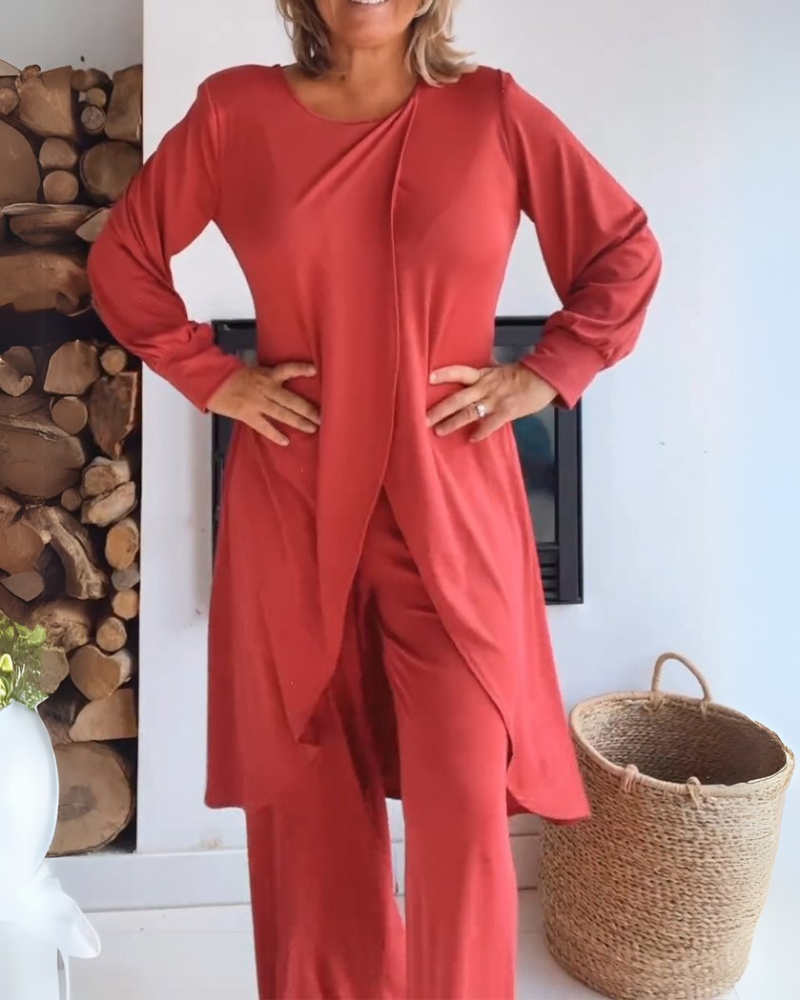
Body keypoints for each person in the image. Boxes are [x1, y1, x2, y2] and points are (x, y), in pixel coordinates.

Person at [87, 0, 661, 996]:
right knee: (305, 809)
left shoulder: (492, 113)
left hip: (455, 510)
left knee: (464, 807)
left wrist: (543, 373)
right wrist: (211, 376)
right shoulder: (234, 113)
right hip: (291, 508)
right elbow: (122, 260)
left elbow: (624, 251)